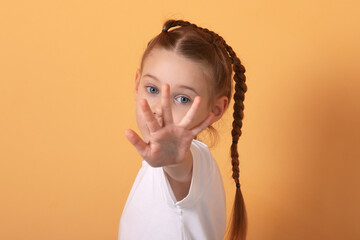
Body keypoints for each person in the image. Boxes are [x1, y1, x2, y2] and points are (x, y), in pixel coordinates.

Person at [118, 19, 247, 240]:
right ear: (137, 83)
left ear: (215, 110)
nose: (160, 108)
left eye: (182, 98)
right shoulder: (159, 162)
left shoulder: (190, 162)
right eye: (152, 89)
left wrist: (173, 161)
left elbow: (181, 171)